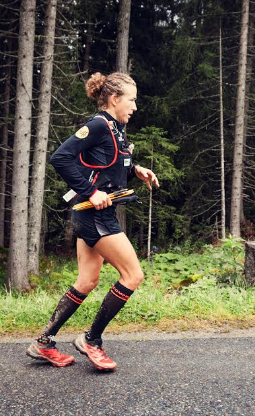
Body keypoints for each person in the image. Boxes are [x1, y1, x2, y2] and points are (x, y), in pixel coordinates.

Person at [26, 72, 159, 371]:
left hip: (94, 213)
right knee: (132, 275)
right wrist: (91, 192)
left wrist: (135, 170)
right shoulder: (99, 124)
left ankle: (43, 342)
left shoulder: (115, 128)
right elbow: (60, 157)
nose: (135, 107)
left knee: (87, 281)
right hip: (93, 214)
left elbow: (104, 165)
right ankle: (91, 340)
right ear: (114, 99)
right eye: (132, 100)